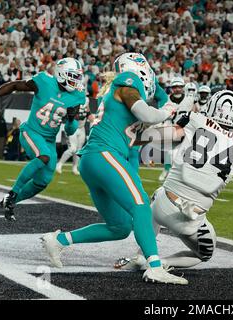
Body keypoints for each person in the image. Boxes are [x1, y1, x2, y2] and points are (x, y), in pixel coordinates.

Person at [40, 53, 187, 285]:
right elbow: (148, 113)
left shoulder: (124, 90)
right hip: (104, 153)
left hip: (96, 159)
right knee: (141, 208)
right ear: (139, 68)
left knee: (119, 227)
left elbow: (159, 96)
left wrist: (171, 102)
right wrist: (170, 110)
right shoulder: (128, 81)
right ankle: (155, 267)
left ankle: (59, 240)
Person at [116, 90, 233, 271]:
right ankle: (162, 264)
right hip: (191, 221)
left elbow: (155, 136)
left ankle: (142, 256)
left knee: (159, 194)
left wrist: (128, 136)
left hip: (163, 204)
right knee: (204, 254)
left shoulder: (195, 120)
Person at [0, 57, 86, 221]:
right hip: (31, 132)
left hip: (49, 140)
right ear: (61, 73)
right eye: (72, 76)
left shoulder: (77, 96)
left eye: (77, 76)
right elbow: (15, 84)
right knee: (43, 156)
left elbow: (70, 130)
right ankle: (12, 193)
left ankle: (10, 202)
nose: (76, 80)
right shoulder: (44, 81)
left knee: (43, 180)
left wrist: (72, 119)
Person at [158, 76, 196, 182]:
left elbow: (194, 113)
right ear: (171, 88)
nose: (177, 89)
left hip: (186, 130)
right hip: (172, 128)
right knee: (170, 152)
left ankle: (184, 174)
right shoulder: (167, 100)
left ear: (183, 87)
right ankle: (166, 170)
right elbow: (162, 115)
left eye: (179, 87)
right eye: (175, 87)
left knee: (185, 154)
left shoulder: (189, 100)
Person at [56, 97, 95, 175]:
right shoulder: (73, 98)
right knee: (72, 149)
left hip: (81, 128)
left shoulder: (86, 99)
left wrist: (94, 120)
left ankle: (74, 167)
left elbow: (88, 112)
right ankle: (59, 164)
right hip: (73, 127)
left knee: (78, 150)